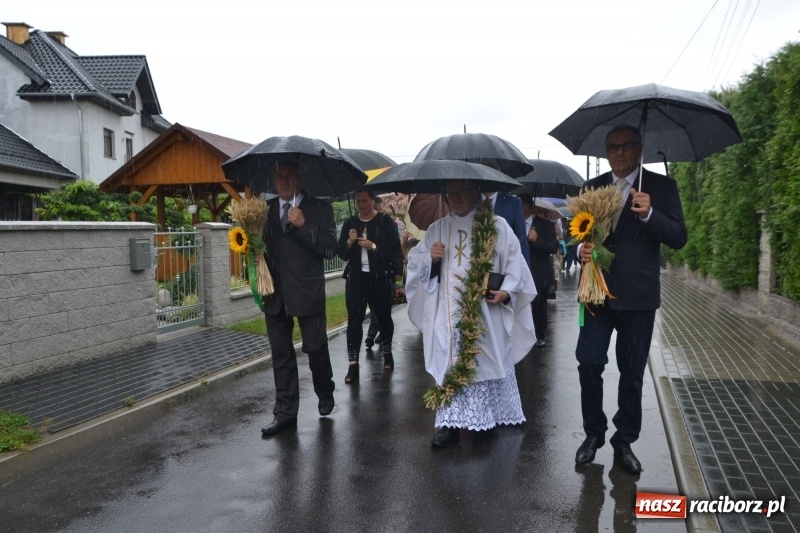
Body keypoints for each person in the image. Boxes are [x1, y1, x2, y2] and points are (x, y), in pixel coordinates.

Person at [574, 125, 687, 473]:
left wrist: (651, 214)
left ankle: (624, 441)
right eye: (612, 147)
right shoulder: (593, 188)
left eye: (626, 146)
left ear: (640, 149)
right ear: (605, 151)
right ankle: (594, 433)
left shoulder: (661, 187)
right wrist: (581, 249)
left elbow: (679, 237)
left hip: (638, 298)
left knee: (632, 373)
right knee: (589, 362)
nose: (619, 152)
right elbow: (575, 232)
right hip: (597, 294)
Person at [406, 179, 537, 448]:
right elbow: (415, 268)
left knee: (486, 360)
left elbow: (516, 265)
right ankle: (449, 425)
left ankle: (487, 416)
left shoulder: (497, 227)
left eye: (462, 191)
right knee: (448, 363)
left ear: (475, 193)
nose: (456, 197)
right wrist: (430, 259)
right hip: (447, 315)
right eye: (451, 192)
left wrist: (507, 292)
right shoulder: (437, 229)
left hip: (487, 313)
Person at [259, 160, 338, 437]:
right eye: (279, 176)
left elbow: (330, 251)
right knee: (281, 354)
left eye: (289, 176)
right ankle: (285, 413)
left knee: (315, 348)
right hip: (275, 295)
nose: (283, 181)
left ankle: (325, 391)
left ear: (299, 180)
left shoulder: (320, 209)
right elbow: (257, 249)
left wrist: (304, 226)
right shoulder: (263, 211)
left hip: (307, 292)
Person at [337, 188, 402, 383]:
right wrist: (349, 242)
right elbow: (341, 252)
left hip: (380, 278)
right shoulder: (350, 223)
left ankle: (388, 352)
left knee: (383, 317)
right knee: (354, 321)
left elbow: (394, 248)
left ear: (373, 201)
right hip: (356, 279)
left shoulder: (384, 221)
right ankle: (353, 364)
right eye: (358, 201)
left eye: (365, 201)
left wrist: (374, 247)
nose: (362, 205)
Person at [518, 193, 558, 347]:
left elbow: (553, 247)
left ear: (527, 207)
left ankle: (539, 334)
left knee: (539, 305)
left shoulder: (545, 225)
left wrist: (537, 240)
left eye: (521, 206)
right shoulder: (514, 223)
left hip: (538, 271)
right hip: (519, 269)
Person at [481, 189, 531, 269]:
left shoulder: (513, 203)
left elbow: (521, 241)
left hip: (504, 268)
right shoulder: (470, 201)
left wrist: (525, 273)